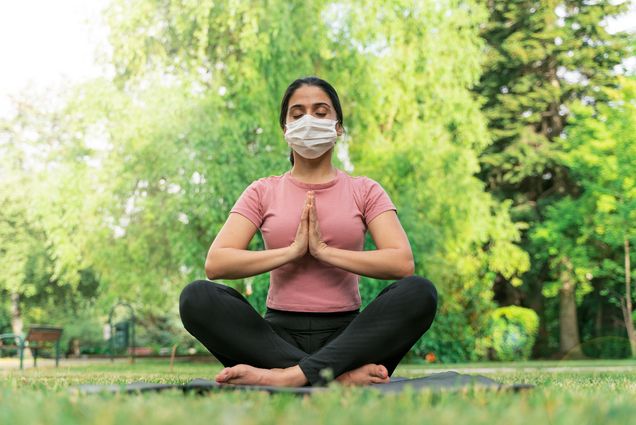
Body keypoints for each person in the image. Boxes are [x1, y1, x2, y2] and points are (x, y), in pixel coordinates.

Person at [179, 76, 438, 387]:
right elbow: (217, 264)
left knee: (420, 292)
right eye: (297, 113)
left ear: (338, 127)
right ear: (286, 129)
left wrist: (325, 252)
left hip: (349, 339)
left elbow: (401, 264)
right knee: (196, 297)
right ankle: (336, 378)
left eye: (320, 111)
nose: (309, 121)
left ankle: (289, 377)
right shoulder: (263, 191)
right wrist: (291, 252)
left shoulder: (365, 190)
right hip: (275, 339)